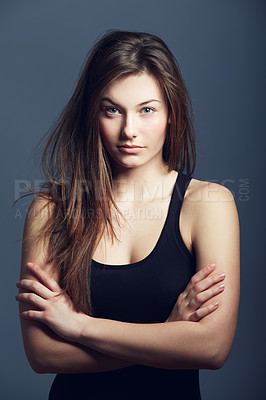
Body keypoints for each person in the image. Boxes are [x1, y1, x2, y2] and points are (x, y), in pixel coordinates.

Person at [15, 30, 240, 400]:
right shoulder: (51, 210)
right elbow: (42, 355)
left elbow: (211, 348)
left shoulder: (208, 204)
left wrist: (79, 327)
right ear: (93, 114)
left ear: (172, 114)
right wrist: (167, 334)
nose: (129, 131)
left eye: (147, 109)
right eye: (112, 110)